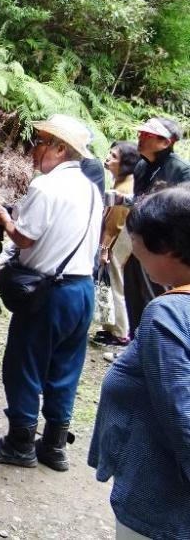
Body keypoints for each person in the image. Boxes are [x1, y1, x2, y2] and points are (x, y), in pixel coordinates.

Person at [0, 114, 102, 471]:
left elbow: (26, 238)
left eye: (41, 141)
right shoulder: (90, 188)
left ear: (60, 149)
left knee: (23, 365)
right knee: (65, 367)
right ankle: (55, 446)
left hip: (49, 293)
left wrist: (4, 220)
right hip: (81, 290)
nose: (34, 148)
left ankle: (19, 444)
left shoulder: (45, 187)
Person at [88, 186, 190, 540]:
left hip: (160, 502)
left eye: (137, 243)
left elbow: (182, 413)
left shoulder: (168, 314)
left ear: (169, 248)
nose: (134, 253)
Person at [123, 117, 190, 336]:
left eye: (148, 135)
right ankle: (136, 341)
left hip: (163, 246)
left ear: (166, 142)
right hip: (138, 237)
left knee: (157, 293)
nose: (140, 138)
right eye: (141, 134)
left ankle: (158, 339)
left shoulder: (181, 170)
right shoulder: (141, 166)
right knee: (133, 289)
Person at [93, 142, 139, 348]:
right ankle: (111, 328)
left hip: (120, 241)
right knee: (111, 283)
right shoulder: (122, 182)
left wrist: (104, 249)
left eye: (114, 156)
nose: (108, 159)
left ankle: (120, 332)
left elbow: (114, 224)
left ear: (126, 163)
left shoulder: (125, 187)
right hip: (120, 239)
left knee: (115, 282)